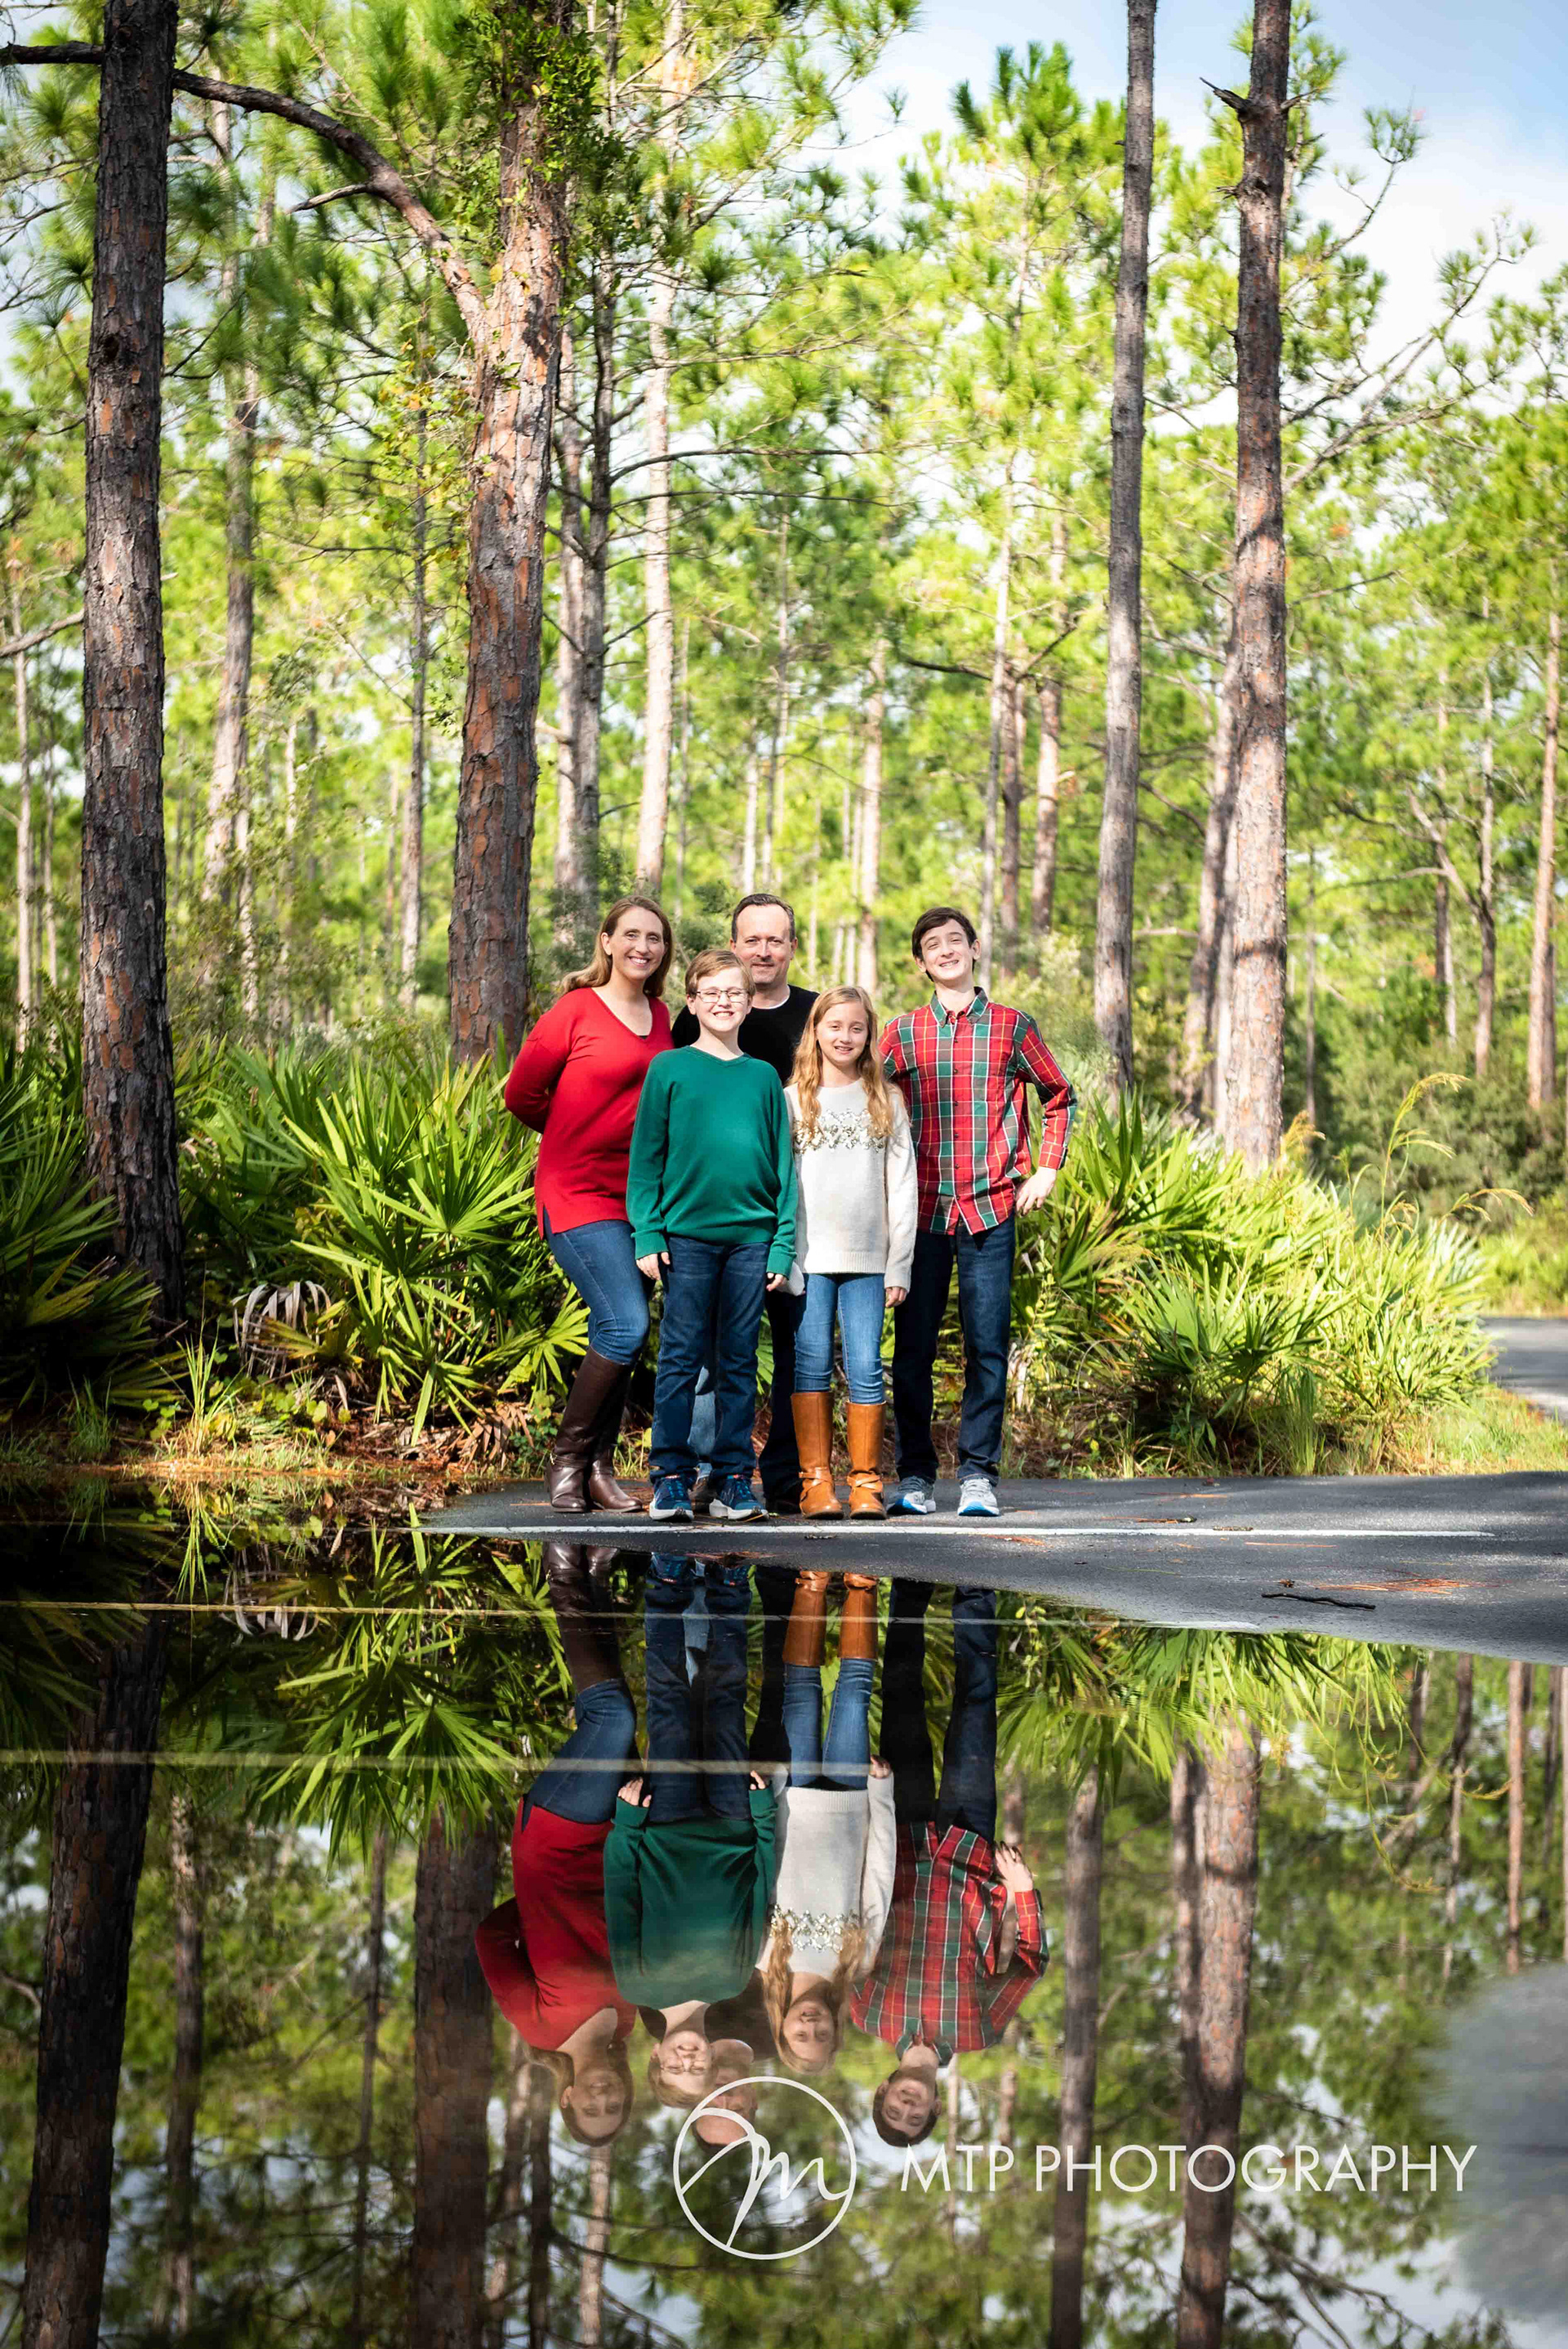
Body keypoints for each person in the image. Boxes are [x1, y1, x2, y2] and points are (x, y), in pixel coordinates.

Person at [880, 905, 1075, 1518]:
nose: (945, 951)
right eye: (932, 945)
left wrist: (1045, 1168)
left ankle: (978, 1477)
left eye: (955, 941)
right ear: (920, 962)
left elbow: (1060, 1094)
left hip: (991, 1207)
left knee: (987, 1346)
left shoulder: (1013, 1027)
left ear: (975, 948)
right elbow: (864, 1099)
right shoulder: (904, 1031)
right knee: (911, 1351)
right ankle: (913, 1476)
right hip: (922, 1213)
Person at [851, 1579, 1045, 2147]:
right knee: (976, 1705)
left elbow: (851, 1926)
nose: (908, 2108)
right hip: (969, 1843)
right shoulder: (979, 2031)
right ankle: (977, 1591)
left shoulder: (866, 2013)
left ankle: (910, 1586)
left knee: (903, 1695)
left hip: (903, 1832)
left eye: (895, 2113)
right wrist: (1023, 1892)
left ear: (883, 2092)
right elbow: (1031, 1963)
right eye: (917, 2118)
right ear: (936, 2104)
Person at [502, 895, 675, 1512]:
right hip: (575, 1192)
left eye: (654, 938)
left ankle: (600, 1469)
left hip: (642, 1199)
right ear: (606, 942)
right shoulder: (575, 1010)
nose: (642, 947)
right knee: (626, 1322)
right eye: (631, 935)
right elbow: (522, 1094)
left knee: (617, 1331)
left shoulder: (663, 1017)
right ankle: (568, 1460)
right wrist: (572, 1130)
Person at [474, 1544, 640, 2143]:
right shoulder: (628, 2023)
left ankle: (564, 1566)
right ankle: (594, 1577)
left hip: (556, 1839)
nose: (604, 2097)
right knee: (626, 1719)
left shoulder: (538, 2027)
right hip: (622, 1831)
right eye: (615, 2106)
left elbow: (491, 1937)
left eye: (590, 2108)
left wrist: (540, 1897)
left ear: (567, 2098)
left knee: (610, 1718)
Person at [629, 947, 797, 1524]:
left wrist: (781, 1241)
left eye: (734, 993)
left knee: (737, 1361)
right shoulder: (669, 1070)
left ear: (749, 1004)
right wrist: (647, 1231)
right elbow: (646, 1160)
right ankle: (671, 1477)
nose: (724, 1002)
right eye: (712, 993)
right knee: (679, 1359)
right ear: (693, 1002)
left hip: (752, 1241)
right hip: (686, 1240)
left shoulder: (764, 1078)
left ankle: (732, 1480)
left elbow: (784, 1169)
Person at [673, 895, 816, 1513]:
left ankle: (784, 1475)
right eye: (752, 939)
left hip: (802, 1209)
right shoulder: (697, 1021)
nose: (763, 950)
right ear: (734, 944)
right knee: (707, 1347)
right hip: (717, 1215)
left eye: (775, 940)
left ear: (791, 948)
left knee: (795, 1346)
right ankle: (709, 1468)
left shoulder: (816, 1014)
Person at [604, 1553, 778, 2008]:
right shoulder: (735, 1982)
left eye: (677, 2070)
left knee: (669, 1709)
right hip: (735, 1824)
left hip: (662, 1824)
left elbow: (622, 1895)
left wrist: (626, 1828)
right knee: (725, 1706)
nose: (688, 2062)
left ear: (659, 2063)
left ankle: (665, 1584)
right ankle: (731, 1590)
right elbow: (760, 1893)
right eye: (697, 2071)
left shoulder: (636, 1987)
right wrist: (763, 1821)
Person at [786, 987, 917, 1519]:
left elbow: (902, 1185)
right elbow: (781, 1184)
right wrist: (786, 1256)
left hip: (869, 1262)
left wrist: (900, 1262)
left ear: (869, 1035)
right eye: (834, 1025)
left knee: (865, 1368)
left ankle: (865, 1483)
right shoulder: (793, 1099)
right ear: (816, 1030)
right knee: (811, 1367)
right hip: (809, 1261)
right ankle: (816, 1482)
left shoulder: (885, 1100)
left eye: (856, 1028)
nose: (844, 1036)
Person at [759, 1569, 896, 2075]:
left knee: (801, 1692)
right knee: (856, 1694)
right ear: (838, 2027)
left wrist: (768, 1794)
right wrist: (882, 1797)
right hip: (849, 1802)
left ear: (781, 2027)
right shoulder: (856, 1962)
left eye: (801, 2035)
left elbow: (760, 1861)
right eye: (822, 2034)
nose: (811, 2026)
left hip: (791, 1793)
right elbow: (878, 1876)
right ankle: (862, 1587)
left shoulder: (763, 1955)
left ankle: (811, 1585)